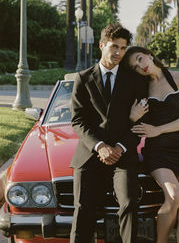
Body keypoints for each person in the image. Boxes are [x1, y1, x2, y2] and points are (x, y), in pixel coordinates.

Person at [70, 24, 148, 243]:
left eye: (123, 48)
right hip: (90, 153)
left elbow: (141, 123)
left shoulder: (135, 81)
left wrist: (120, 147)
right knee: (83, 207)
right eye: (114, 46)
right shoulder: (83, 79)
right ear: (102, 45)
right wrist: (100, 146)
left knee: (129, 202)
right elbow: (78, 120)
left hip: (123, 154)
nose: (119, 53)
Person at [123, 46, 179, 243]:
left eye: (140, 59)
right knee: (174, 195)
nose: (141, 66)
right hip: (158, 151)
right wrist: (132, 118)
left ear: (150, 55)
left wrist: (159, 129)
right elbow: (131, 125)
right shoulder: (141, 90)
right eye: (135, 67)